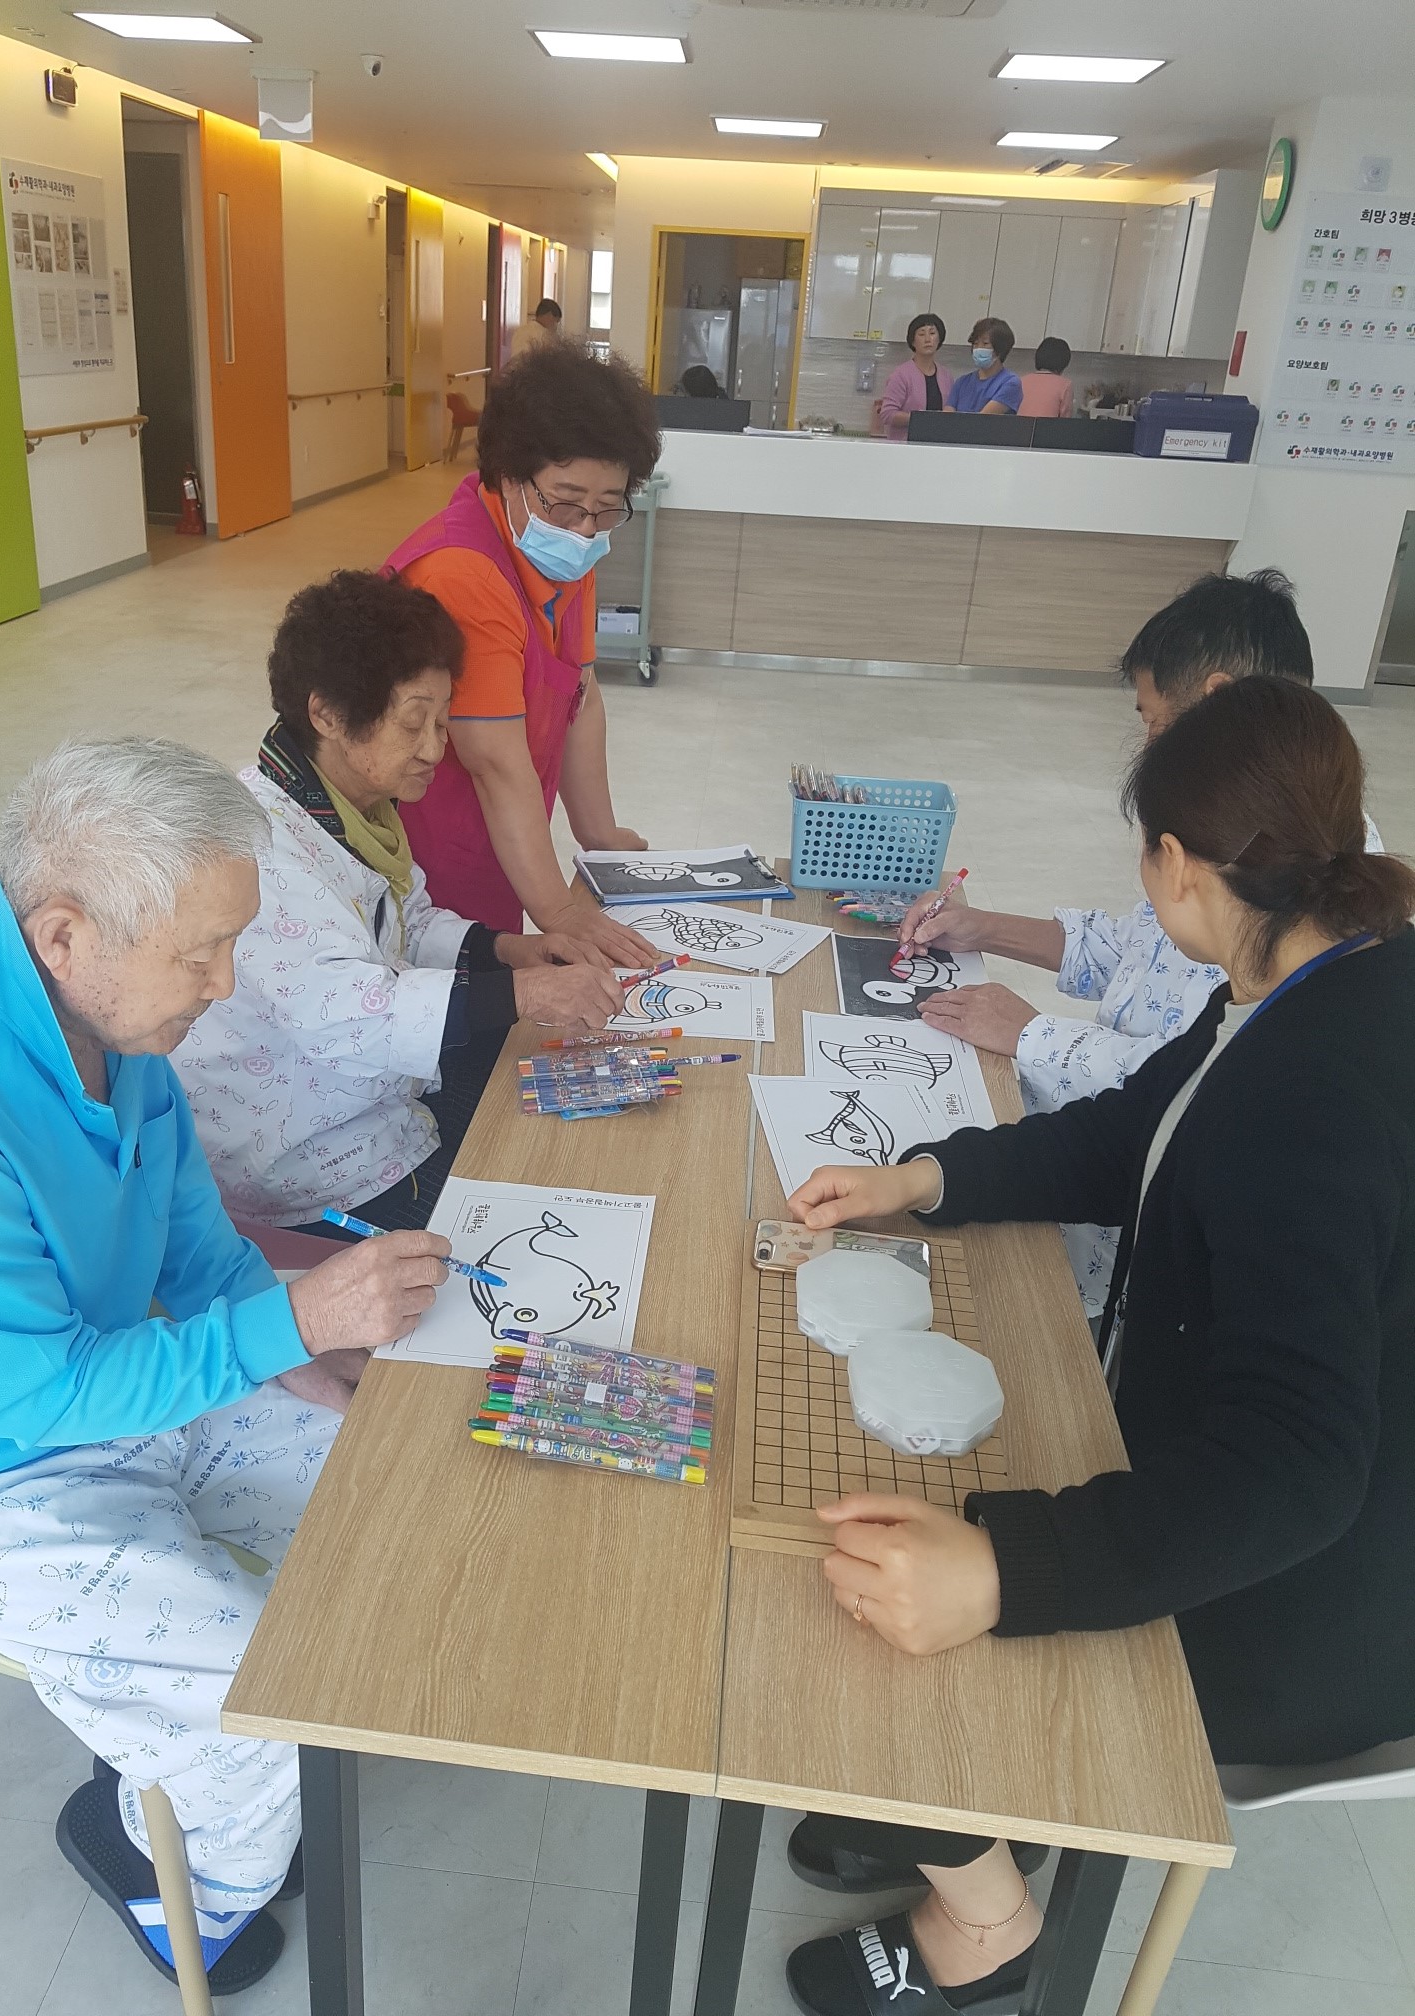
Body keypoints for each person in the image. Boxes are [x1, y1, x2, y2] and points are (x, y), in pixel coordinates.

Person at [783, 677, 1415, 2015]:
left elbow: (1296, 1472)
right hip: (1280, 1487)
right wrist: (926, 1180)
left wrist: (1003, 1571)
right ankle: (951, 1820)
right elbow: (1142, 1128)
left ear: (1176, 866)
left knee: (889, 1597)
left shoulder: (1314, 1095)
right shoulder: (1317, 976)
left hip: (1314, 1595)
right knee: (951, 1498)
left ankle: (992, 1921)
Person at [0, 738, 451, 1993]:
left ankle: (178, 1770)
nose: (225, 982)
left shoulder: (116, 1020)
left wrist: (312, 1369)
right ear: (63, 935)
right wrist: (294, 1328)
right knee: (270, 1701)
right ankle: (159, 1868)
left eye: (233, 941)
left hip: (118, 1386)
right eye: (199, 953)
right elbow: (36, 1397)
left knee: (395, 1499)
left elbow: (200, 1253)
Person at [898, 568, 1382, 1323]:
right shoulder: (1238, 858)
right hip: (1104, 1188)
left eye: (1154, 723)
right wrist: (982, 927)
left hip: (1145, 1252)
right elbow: (1132, 971)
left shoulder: (1299, 984)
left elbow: (1191, 1092)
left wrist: (1033, 1034)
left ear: (1217, 702)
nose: (1149, 746)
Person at [175, 572, 624, 1235]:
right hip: (308, 1165)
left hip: (370, 1106)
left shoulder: (351, 809)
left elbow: (406, 921)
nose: (435, 750)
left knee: (559, 1111)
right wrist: (525, 992)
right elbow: (350, 1015)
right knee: (549, 1187)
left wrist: (511, 950)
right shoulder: (259, 850)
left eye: (442, 722)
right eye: (414, 723)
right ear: (327, 714)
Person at [381, 341, 661, 965]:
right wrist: (560, 913)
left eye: (607, 508)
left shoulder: (563, 549)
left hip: (503, 837)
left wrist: (598, 835)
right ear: (509, 477)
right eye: (566, 501)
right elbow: (495, 765)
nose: (584, 528)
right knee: (448, 983)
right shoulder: (464, 574)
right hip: (430, 850)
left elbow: (580, 695)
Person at [876, 314, 954, 437]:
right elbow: (887, 414)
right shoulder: (901, 374)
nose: (927, 339)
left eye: (932, 333)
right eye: (922, 334)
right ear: (913, 341)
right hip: (906, 444)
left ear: (939, 339)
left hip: (937, 443)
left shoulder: (946, 376)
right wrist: (919, 419)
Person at [946, 319, 1023, 415]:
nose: (979, 348)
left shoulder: (1010, 383)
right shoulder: (962, 382)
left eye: (985, 343)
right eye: (975, 344)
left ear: (1000, 349)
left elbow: (982, 419)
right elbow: (947, 416)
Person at [1018, 336, 1074, 418]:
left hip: (1018, 425)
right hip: (1048, 426)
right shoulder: (1065, 385)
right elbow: (1065, 420)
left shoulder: (1021, 380)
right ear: (1063, 362)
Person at [509, 295, 562, 360]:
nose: (556, 326)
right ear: (549, 315)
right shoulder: (533, 334)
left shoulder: (521, 330)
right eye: (556, 321)